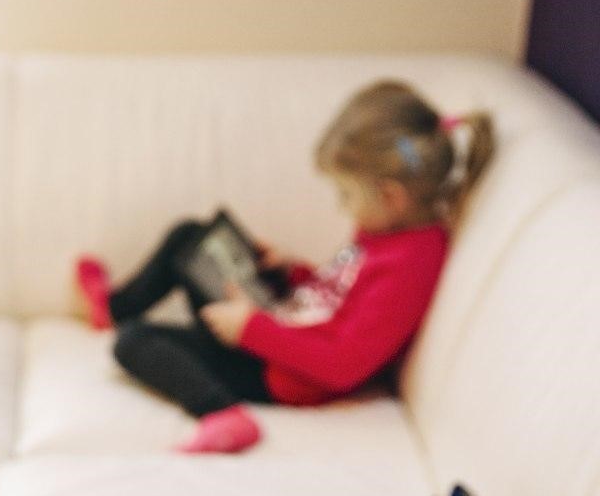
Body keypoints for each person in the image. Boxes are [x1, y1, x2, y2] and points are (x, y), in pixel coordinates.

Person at [76, 80, 494, 454]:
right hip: (281, 324)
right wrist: (292, 272)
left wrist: (250, 329)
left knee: (135, 342)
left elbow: (342, 365)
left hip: (283, 375)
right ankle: (112, 308)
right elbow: (338, 294)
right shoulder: (384, 232)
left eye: (346, 195)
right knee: (191, 237)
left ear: (391, 196)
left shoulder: (413, 263)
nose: (342, 207)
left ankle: (221, 413)